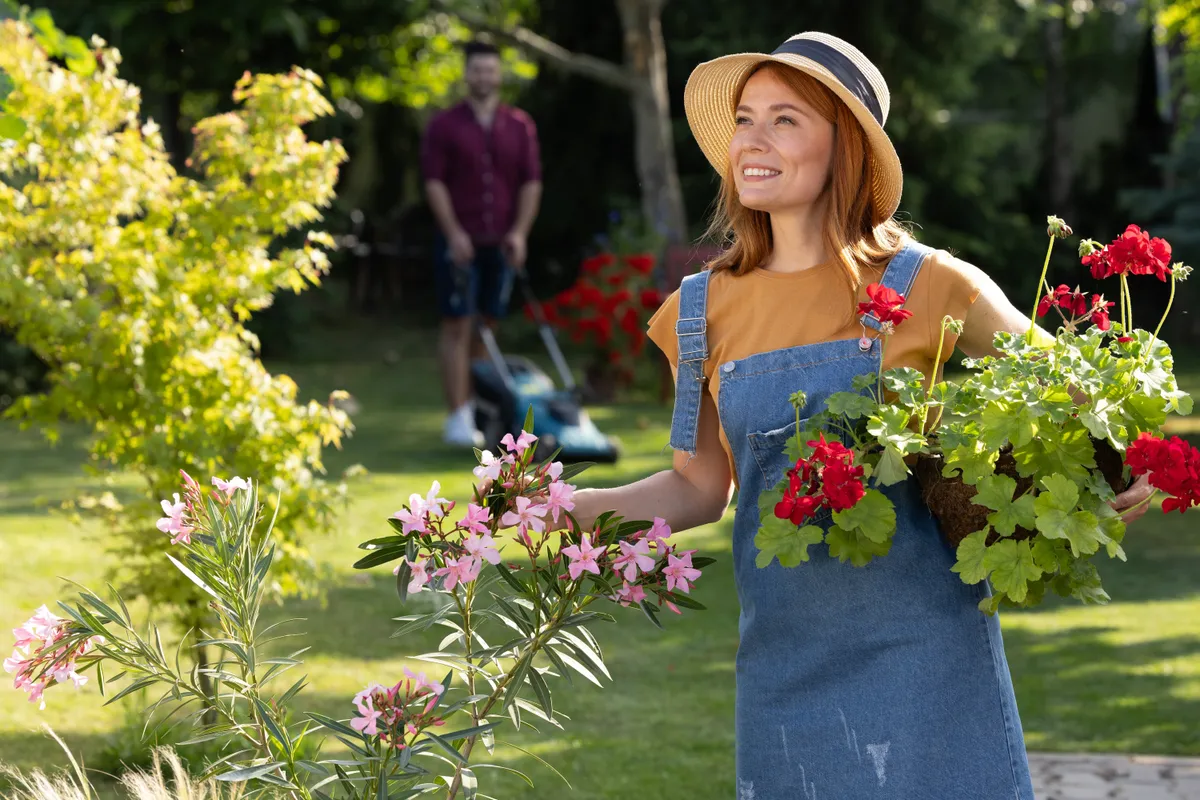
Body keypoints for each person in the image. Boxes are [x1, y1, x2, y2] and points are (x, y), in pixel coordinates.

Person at [557, 32, 1154, 797]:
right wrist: (568, 510)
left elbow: (1077, 385)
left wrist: (1111, 475)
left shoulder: (929, 284)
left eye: (785, 120)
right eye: (744, 119)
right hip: (783, 666)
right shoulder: (696, 313)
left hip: (929, 657)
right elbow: (699, 489)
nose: (753, 140)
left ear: (847, 151)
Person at [421, 39, 543, 448]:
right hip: (458, 241)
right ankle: (457, 416)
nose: (484, 77)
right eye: (477, 70)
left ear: (499, 74)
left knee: (487, 326)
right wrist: (453, 232)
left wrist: (520, 233)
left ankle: (478, 408)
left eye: (490, 70)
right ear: (466, 73)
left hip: (502, 242)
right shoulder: (444, 125)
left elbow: (531, 183)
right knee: (456, 324)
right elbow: (434, 182)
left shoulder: (520, 125)